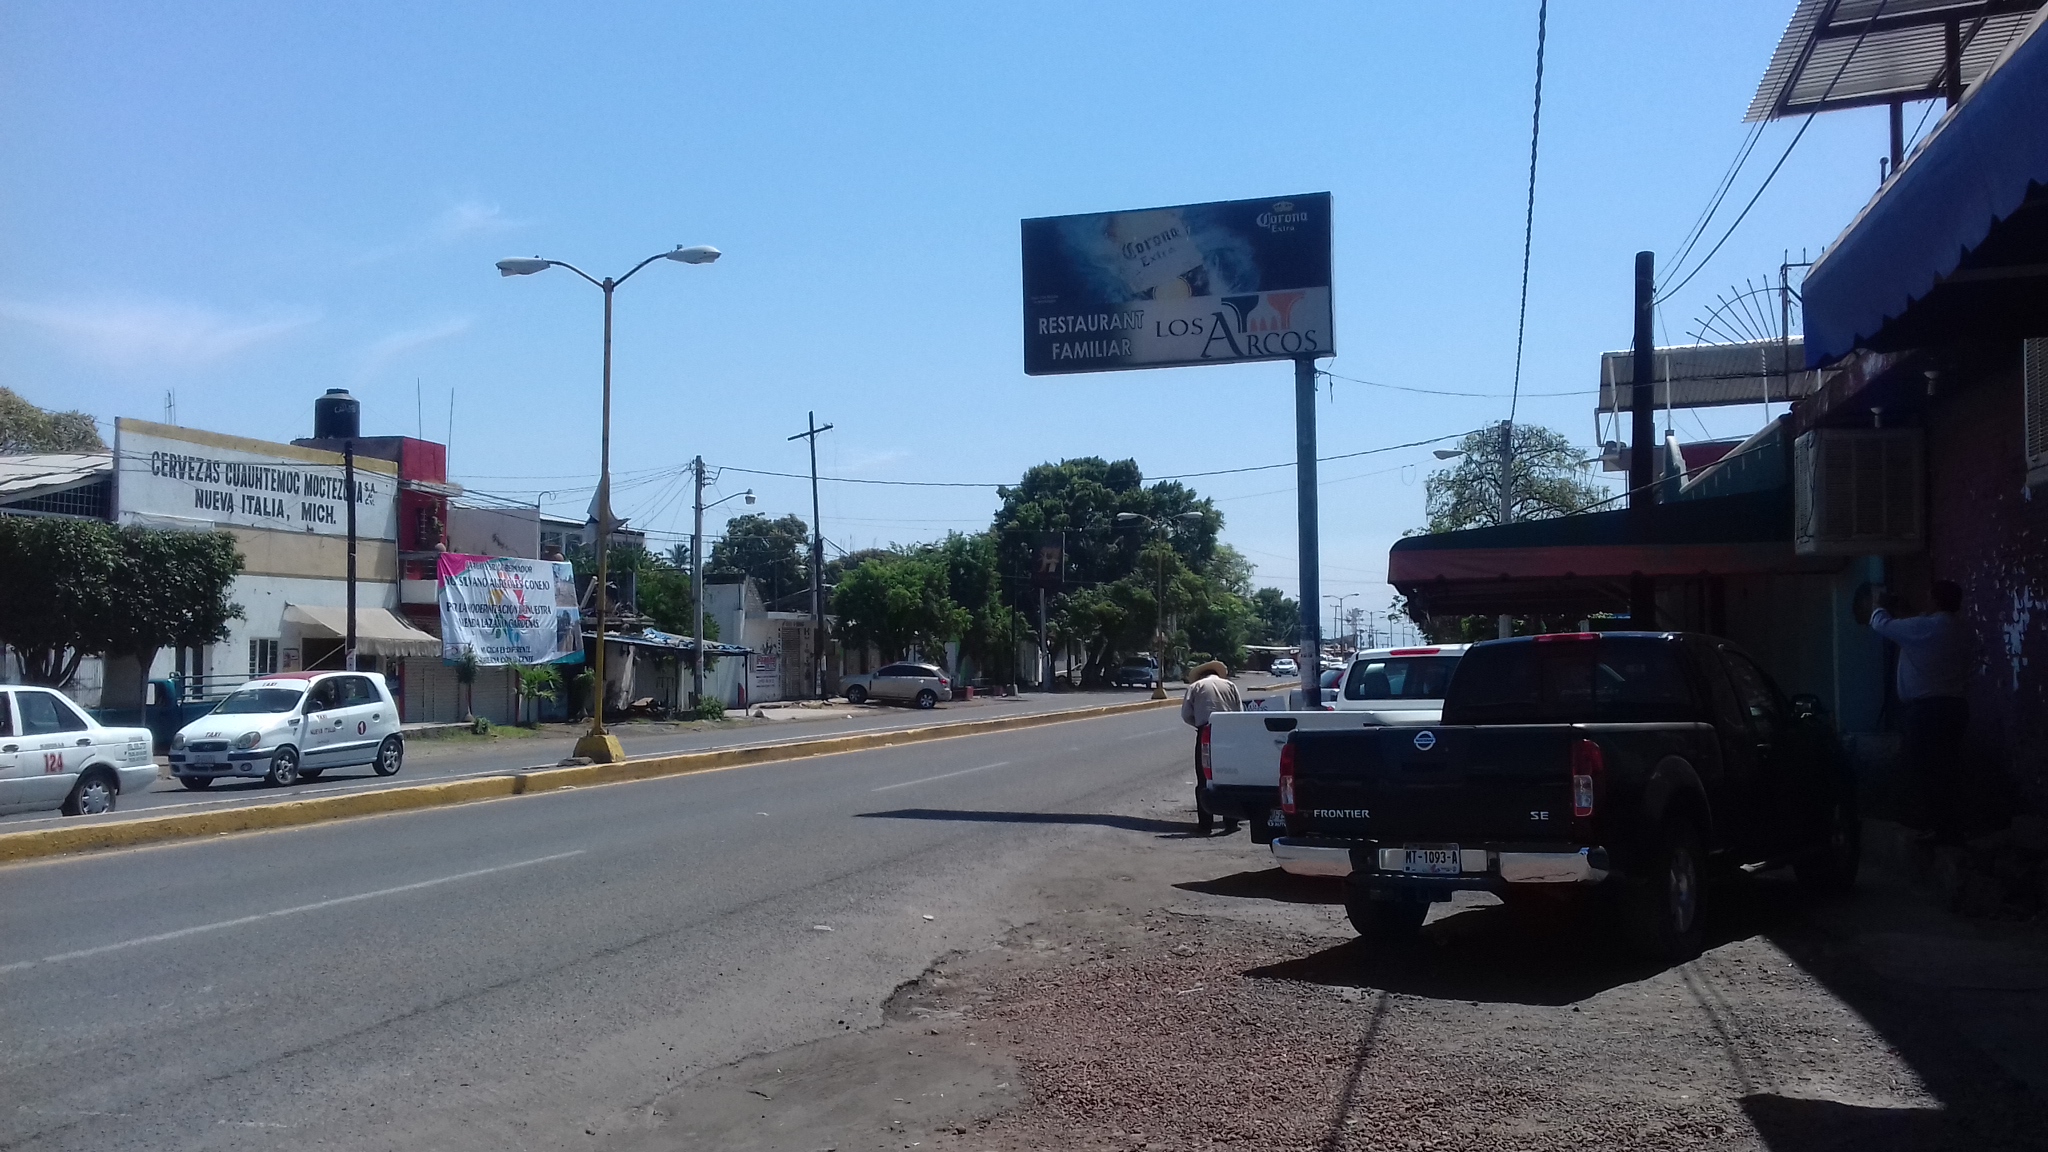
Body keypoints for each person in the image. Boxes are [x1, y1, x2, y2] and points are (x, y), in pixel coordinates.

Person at [1869, 580, 1975, 844]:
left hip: (1927, 711)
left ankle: (1928, 824)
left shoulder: (1924, 627)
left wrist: (1879, 605)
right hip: (1956, 707)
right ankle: (1949, 827)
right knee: (1948, 767)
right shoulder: (1961, 629)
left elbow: (1880, 624)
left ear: (1935, 601)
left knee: (1921, 768)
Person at [1182, 660, 1243, 835]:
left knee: (1204, 778)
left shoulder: (1196, 686)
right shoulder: (1230, 685)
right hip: (1230, 732)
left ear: (1201, 674)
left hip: (1206, 732)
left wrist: (1200, 727)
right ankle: (1231, 822)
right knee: (1229, 776)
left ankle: (1205, 824)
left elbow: (1186, 714)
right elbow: (1239, 711)